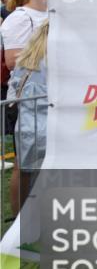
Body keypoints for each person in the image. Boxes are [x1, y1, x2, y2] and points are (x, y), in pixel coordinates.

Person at [8, 20, 48, 215]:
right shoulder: (57, 61)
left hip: (25, 127)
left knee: (22, 171)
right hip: (50, 127)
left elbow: (12, 96)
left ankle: (19, 221)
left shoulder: (25, 60)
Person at [2, 0, 47, 137]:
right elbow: (13, 61)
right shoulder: (20, 18)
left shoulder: (55, 14)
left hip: (50, 93)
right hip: (27, 98)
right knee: (28, 155)